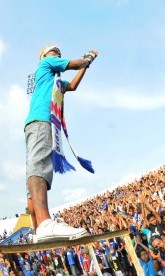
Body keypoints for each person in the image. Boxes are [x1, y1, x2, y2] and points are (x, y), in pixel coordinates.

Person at [25, 45, 98, 242]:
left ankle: (37, 229)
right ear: (44, 56)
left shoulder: (55, 82)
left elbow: (72, 85)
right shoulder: (46, 63)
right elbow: (75, 64)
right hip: (41, 120)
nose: (58, 52)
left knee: (36, 168)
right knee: (39, 166)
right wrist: (88, 58)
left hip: (39, 123)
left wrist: (85, 66)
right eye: (53, 50)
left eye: (59, 51)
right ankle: (45, 223)